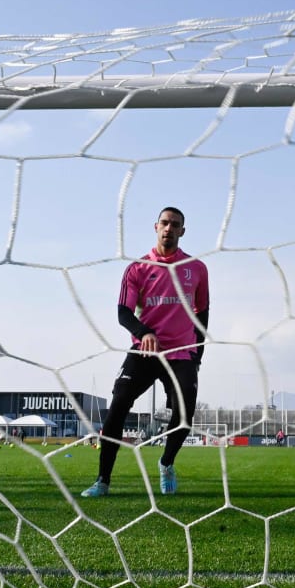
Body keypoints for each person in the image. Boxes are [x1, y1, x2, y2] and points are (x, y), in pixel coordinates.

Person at [81, 207, 210, 497]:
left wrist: (197, 355)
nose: (169, 228)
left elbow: (202, 314)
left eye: (175, 224)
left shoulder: (197, 269)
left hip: (181, 353)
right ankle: (102, 480)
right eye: (164, 223)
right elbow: (123, 313)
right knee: (117, 408)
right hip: (144, 351)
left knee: (184, 415)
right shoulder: (138, 268)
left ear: (182, 231)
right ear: (155, 227)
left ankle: (166, 463)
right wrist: (144, 333)